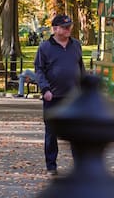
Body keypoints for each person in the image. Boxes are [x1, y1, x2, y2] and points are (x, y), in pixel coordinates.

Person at [32, 13, 85, 173]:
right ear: (55, 29)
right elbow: (39, 70)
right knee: (52, 133)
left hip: (74, 97)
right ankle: (51, 166)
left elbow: (80, 68)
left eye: (70, 26)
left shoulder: (76, 45)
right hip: (53, 96)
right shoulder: (45, 47)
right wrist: (45, 89)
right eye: (65, 26)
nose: (69, 29)